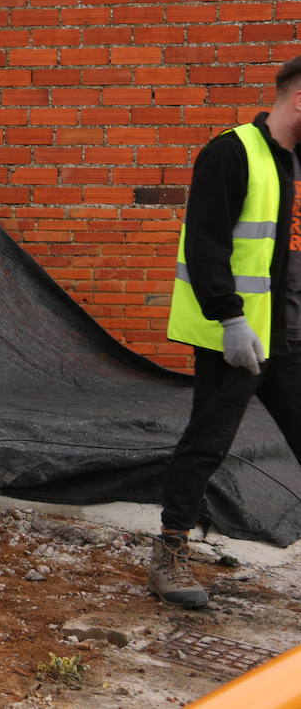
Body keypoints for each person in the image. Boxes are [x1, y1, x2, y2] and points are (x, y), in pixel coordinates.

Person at [156, 55, 301, 608]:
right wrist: (231, 319)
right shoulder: (232, 151)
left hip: (287, 335)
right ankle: (170, 555)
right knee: (207, 444)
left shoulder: (297, 162)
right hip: (236, 335)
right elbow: (206, 243)